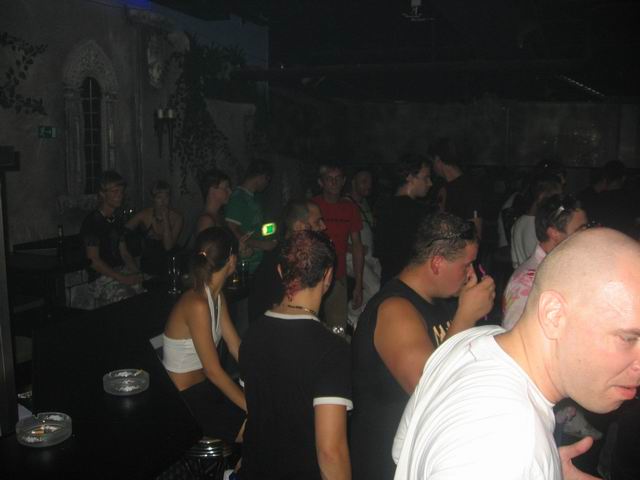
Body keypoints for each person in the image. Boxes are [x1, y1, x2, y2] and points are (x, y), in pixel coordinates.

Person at [393, 227, 640, 480]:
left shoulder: (472, 342)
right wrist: (520, 463)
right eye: (628, 338)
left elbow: (403, 453)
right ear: (554, 314)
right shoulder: (507, 445)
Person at [350, 213, 495, 480]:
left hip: (425, 456)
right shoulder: (394, 309)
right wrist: (466, 316)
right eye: (466, 265)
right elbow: (427, 389)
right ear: (437, 262)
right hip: (388, 466)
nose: (471, 274)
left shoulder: (442, 302)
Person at [239, 230, 352, 480]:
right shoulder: (331, 350)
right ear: (328, 276)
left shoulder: (252, 335)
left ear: (280, 272)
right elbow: (330, 453)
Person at [162, 227, 246, 443]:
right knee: (260, 428)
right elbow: (213, 370)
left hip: (204, 389)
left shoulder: (217, 296)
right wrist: (254, 406)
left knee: (268, 414)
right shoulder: (197, 304)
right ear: (232, 260)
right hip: (183, 398)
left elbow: (235, 346)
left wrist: (262, 377)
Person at [502, 194, 588, 330]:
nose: (587, 234)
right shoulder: (527, 283)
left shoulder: (565, 266)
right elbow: (516, 333)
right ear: (554, 233)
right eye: (580, 229)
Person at [249, 199, 326, 323]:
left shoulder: (301, 258)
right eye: (317, 222)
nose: (323, 226)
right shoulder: (281, 261)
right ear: (299, 227)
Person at [77, 170, 143, 309]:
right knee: (126, 297)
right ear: (102, 194)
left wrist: (137, 273)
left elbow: (124, 253)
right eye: (115, 191)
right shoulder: (92, 222)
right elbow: (94, 261)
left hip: (119, 271)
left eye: (121, 191)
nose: (120, 195)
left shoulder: (117, 220)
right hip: (100, 277)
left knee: (146, 290)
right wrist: (123, 278)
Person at [313, 163, 365, 331]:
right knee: (310, 327)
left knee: (337, 329)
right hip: (312, 277)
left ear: (343, 181)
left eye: (337, 179)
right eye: (329, 179)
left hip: (338, 277)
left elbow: (357, 246)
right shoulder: (312, 206)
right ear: (321, 182)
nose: (334, 183)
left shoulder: (350, 208)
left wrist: (358, 284)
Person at [376, 154, 433, 285]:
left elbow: (380, 251)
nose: (430, 183)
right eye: (426, 177)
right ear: (410, 177)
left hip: (389, 282)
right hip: (412, 283)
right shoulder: (419, 212)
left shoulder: (383, 207)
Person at [225, 160, 277, 273]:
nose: (267, 184)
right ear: (261, 176)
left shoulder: (256, 197)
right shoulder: (238, 198)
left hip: (259, 260)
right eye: (267, 180)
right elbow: (232, 229)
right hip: (246, 264)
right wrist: (262, 245)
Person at [345, 167, 381, 328]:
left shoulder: (365, 203)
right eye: (363, 181)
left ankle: (361, 320)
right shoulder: (345, 203)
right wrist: (351, 248)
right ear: (353, 182)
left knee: (380, 287)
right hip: (352, 257)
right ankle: (351, 314)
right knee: (374, 287)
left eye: (370, 182)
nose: (368, 185)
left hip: (369, 257)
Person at [125, 180, 183, 275]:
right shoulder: (145, 214)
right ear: (153, 198)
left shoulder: (177, 217)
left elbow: (168, 247)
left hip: (169, 262)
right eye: (159, 197)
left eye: (166, 197)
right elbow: (124, 231)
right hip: (149, 262)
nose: (163, 201)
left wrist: (165, 218)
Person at [429, 138, 483, 238]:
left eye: (432, 162)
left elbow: (476, 233)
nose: (432, 167)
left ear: (437, 159)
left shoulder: (468, 189)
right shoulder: (440, 187)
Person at [510, 171, 563, 268]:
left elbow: (515, 263)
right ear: (542, 196)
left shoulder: (519, 222)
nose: (559, 202)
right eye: (556, 197)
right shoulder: (538, 226)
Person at [195, 168, 232, 235]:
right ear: (212, 190)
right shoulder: (206, 221)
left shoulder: (220, 216)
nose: (230, 192)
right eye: (226, 187)